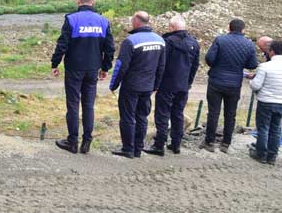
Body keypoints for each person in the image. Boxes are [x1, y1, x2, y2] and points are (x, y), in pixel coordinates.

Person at [51, 0, 115, 154]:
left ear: (78, 1)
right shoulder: (103, 21)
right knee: (88, 105)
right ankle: (86, 142)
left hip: (74, 68)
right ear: (93, 2)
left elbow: (62, 45)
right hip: (93, 69)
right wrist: (105, 68)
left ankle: (72, 142)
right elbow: (110, 48)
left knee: (73, 104)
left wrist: (55, 63)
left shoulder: (71, 19)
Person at [109, 11, 166, 159]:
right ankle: (138, 149)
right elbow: (161, 66)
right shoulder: (160, 41)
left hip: (131, 86)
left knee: (127, 117)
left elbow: (121, 66)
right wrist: (156, 86)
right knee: (142, 117)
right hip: (148, 87)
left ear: (136, 22)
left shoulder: (130, 41)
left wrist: (114, 85)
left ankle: (128, 148)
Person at [143, 15, 200, 156]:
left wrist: (156, 83)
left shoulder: (167, 42)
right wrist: (188, 83)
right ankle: (176, 144)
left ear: (172, 27)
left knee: (162, 114)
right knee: (178, 114)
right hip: (183, 85)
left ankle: (159, 145)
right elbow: (195, 66)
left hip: (167, 84)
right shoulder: (194, 43)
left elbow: (161, 64)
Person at [200, 19, 258, 153]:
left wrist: (218, 65)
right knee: (230, 114)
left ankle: (209, 142)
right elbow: (253, 64)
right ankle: (226, 143)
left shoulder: (220, 40)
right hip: (234, 83)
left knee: (213, 112)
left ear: (229, 28)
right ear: (243, 30)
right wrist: (240, 64)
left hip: (216, 81)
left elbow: (209, 59)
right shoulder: (249, 44)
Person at [248, 40, 282, 165]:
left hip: (265, 101)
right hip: (281, 102)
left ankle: (261, 154)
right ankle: (272, 156)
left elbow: (255, 85)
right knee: (276, 129)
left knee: (263, 128)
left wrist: (250, 81)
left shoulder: (265, 67)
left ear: (271, 51)